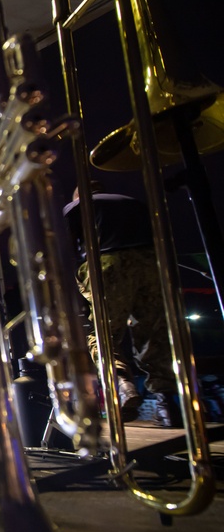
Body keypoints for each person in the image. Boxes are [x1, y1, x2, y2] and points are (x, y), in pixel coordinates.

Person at [63, 183, 180, 427]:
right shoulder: (132, 200)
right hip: (151, 263)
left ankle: (123, 384)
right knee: (153, 334)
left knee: (101, 334)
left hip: (109, 263)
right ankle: (167, 406)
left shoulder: (77, 205)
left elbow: (71, 246)